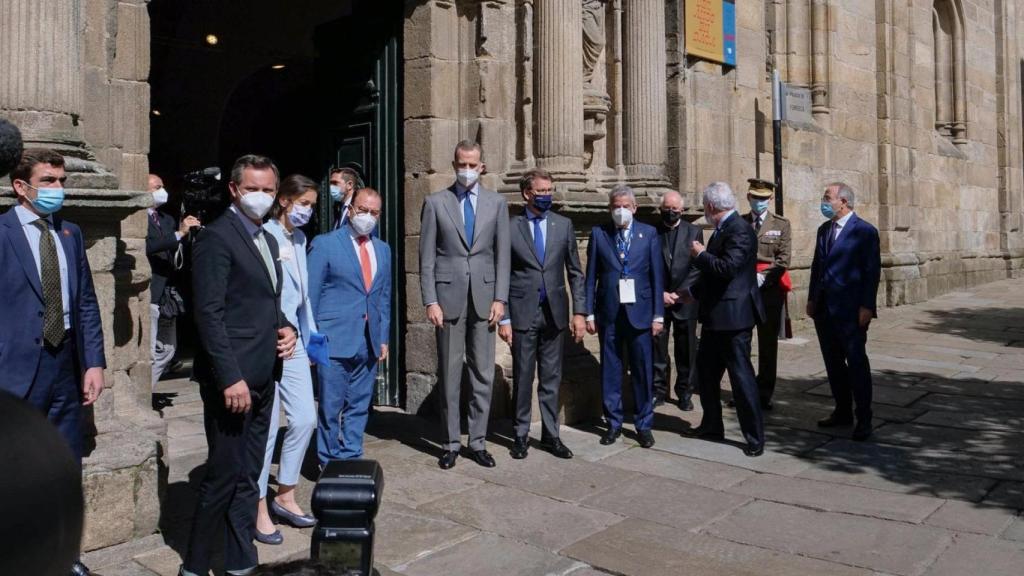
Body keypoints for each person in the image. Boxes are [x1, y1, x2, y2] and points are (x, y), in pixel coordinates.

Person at [180, 155, 297, 576]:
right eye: (253, 189)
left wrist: (286, 329)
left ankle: (240, 558)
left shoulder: (266, 239)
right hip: (234, 381)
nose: (261, 197)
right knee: (224, 475)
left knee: (251, 474)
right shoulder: (216, 238)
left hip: (267, 373)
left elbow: (263, 301)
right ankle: (194, 564)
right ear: (234, 190)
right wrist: (230, 377)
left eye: (268, 190)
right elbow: (209, 314)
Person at [0, 148, 106, 576]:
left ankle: (64, 554)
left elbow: (85, 304)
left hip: (65, 364)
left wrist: (94, 362)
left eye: (61, 181)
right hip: (16, 369)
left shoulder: (69, 233)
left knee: (65, 464)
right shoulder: (3, 231)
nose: (58, 190)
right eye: (49, 181)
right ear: (20, 186)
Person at [419, 140, 510, 469]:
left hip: (485, 300)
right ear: (454, 164)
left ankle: (479, 441)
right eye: (461, 164)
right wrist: (430, 299)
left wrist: (501, 299)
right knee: (450, 373)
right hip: (447, 299)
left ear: (482, 166)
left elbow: (502, 256)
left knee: (483, 374)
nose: (467, 170)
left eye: (472, 165)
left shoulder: (497, 204)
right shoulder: (435, 202)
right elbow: (426, 258)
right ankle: (449, 443)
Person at [498, 168, 586, 460]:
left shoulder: (563, 225)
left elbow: (575, 272)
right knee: (523, 377)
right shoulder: (511, 227)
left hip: (555, 314)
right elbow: (504, 274)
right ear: (527, 193)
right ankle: (521, 435)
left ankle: (551, 435)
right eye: (542, 191)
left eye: (550, 190)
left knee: (551, 377)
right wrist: (505, 318)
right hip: (523, 313)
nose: (547, 195)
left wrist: (579, 313)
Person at [254, 175, 320, 545]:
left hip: (296, 340)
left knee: (305, 418)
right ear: (284, 200)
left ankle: (286, 492)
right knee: (264, 430)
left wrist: (307, 336)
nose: (307, 210)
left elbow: (300, 294)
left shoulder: (300, 238)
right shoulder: (263, 236)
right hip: (268, 339)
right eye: (303, 203)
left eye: (311, 204)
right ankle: (259, 505)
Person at [308, 187, 391, 464]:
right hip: (334, 338)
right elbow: (311, 293)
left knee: (359, 404)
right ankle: (327, 460)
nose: (367, 216)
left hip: (368, 340)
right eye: (363, 210)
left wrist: (383, 337)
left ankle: (352, 453)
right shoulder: (326, 243)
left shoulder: (383, 249)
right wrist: (312, 339)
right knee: (331, 406)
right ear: (351, 209)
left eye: (374, 212)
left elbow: (383, 296)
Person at [684, 181, 766, 457]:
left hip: (734, 318)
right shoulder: (723, 228)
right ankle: (711, 425)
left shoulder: (739, 230)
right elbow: (713, 277)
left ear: (709, 206)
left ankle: (754, 437)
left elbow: (727, 268)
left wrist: (700, 255)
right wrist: (691, 293)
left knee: (741, 378)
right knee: (706, 375)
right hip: (714, 316)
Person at [584, 185, 663, 449]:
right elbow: (591, 276)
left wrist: (658, 316)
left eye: (625, 206)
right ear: (610, 208)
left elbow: (656, 278)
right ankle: (613, 423)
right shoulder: (599, 234)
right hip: (609, 313)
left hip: (640, 313)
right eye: (616, 206)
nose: (620, 211)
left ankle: (644, 424)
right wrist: (589, 312)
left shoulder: (649, 234)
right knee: (611, 370)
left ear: (634, 208)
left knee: (642, 370)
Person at [808, 182, 880, 441]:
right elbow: (817, 267)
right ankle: (842, 410)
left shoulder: (865, 231)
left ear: (844, 201)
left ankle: (864, 417)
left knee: (856, 362)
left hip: (851, 311)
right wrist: (812, 299)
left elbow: (872, 273)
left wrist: (867, 307)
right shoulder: (823, 230)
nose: (824, 201)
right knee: (833, 363)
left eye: (827, 197)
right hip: (825, 309)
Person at [0, 393, 84, 576]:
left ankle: (67, 561)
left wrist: (94, 363)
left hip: (65, 375)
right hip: (15, 377)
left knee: (65, 467)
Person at [739, 178, 791, 410]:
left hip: (769, 290)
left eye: (763, 198)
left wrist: (763, 277)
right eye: (754, 197)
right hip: (743, 289)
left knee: (768, 344)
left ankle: (763, 394)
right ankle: (745, 390)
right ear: (748, 197)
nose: (758, 202)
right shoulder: (740, 222)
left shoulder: (781, 224)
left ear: (770, 199)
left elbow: (783, 259)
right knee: (741, 342)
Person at [146, 173, 200, 386]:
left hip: (167, 296)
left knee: (167, 350)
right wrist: (177, 235)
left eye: (163, 186)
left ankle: (145, 390)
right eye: (156, 187)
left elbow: (177, 252)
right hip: (150, 291)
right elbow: (148, 246)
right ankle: (143, 397)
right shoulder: (137, 218)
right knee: (149, 351)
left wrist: (188, 234)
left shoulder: (167, 219)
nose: (162, 191)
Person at [652, 190, 703, 411]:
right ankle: (659, 390)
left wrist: (680, 292)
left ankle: (684, 392)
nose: (670, 212)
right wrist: (660, 293)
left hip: (685, 300)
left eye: (674, 209)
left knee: (686, 348)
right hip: (659, 299)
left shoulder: (694, 231)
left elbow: (696, 267)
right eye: (667, 208)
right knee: (657, 348)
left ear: (681, 210)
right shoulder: (652, 231)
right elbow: (646, 266)